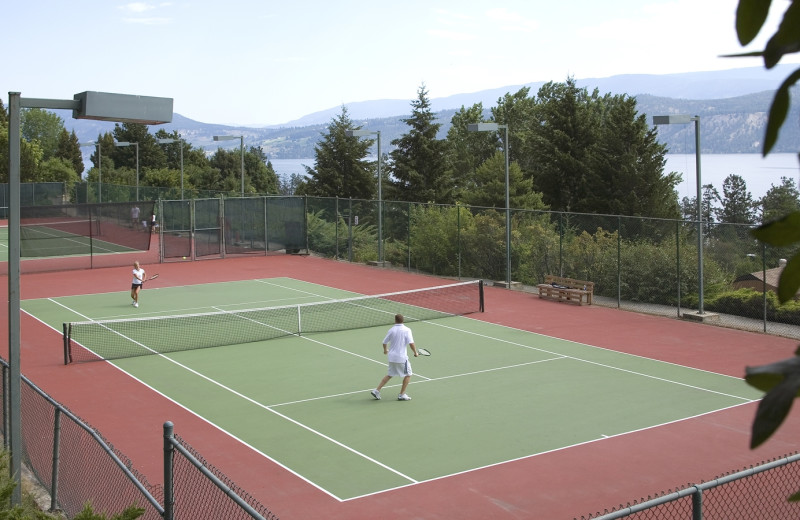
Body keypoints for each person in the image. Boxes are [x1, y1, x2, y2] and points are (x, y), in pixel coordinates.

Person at [371, 314, 419, 401]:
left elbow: (384, 342)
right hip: (401, 358)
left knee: (390, 374)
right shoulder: (407, 330)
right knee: (408, 375)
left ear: (395, 320)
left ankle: (376, 390)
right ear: (403, 320)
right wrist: (415, 352)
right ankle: (402, 394)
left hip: (391, 357)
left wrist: (385, 350)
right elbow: (411, 343)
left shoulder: (391, 330)